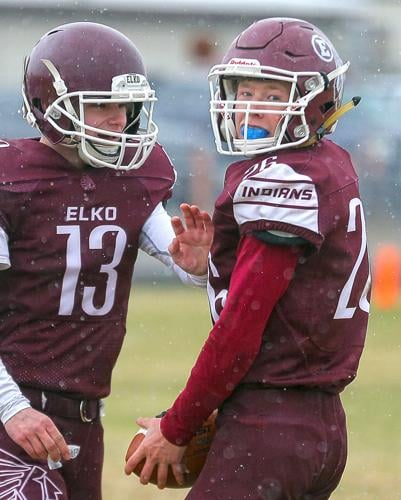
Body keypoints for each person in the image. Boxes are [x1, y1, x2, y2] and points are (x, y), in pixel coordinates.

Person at [125, 17, 371, 499]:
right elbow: (295, 291)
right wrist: (215, 266)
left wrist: (177, 426)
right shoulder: (328, 163)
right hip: (316, 425)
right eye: (245, 92)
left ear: (316, 101)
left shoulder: (282, 180)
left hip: (272, 424)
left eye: (273, 97)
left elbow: (239, 331)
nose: (250, 109)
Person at [0, 21, 213, 500]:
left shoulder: (134, 177)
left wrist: (199, 265)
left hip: (81, 416)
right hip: (10, 408)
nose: (118, 119)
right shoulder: (9, 180)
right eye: (100, 104)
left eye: (124, 105)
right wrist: (10, 406)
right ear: (48, 106)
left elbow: (185, 264)